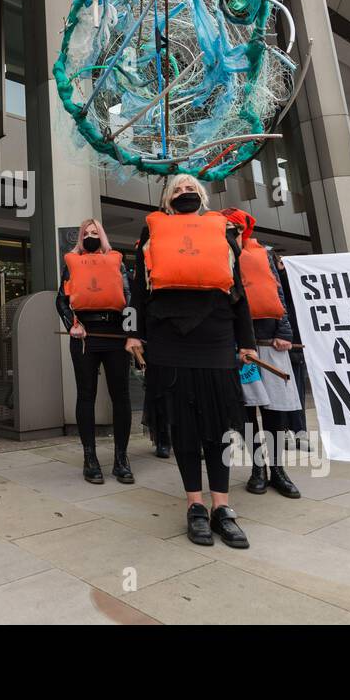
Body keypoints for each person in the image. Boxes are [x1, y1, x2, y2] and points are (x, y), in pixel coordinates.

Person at [125, 175, 258, 548]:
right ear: (167, 201)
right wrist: (133, 334)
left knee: (218, 425)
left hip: (216, 335)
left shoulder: (223, 232)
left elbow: (239, 290)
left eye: (191, 190)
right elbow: (137, 289)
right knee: (183, 426)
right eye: (177, 190)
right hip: (168, 337)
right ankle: (195, 506)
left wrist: (246, 341)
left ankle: (222, 507)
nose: (185, 193)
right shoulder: (150, 235)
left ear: (202, 199)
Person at [218, 209, 300, 499]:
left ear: (244, 230)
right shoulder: (217, 256)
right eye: (226, 228)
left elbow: (277, 294)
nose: (232, 233)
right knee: (249, 409)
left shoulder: (262, 254)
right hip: (241, 349)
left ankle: (278, 469)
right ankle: (258, 468)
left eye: (235, 228)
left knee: (275, 409)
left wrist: (285, 332)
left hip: (270, 342)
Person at [55, 219, 134, 484]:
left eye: (95, 233)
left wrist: (132, 335)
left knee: (120, 395)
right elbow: (62, 300)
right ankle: (90, 458)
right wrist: (73, 324)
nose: (90, 237)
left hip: (115, 334)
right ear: (80, 238)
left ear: (103, 236)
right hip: (85, 336)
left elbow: (131, 298)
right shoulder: (72, 265)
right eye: (86, 234)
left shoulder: (117, 262)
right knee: (85, 395)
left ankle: (121, 458)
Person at [275, 252, 310, 446]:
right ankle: (289, 431)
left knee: (295, 388)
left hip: (292, 345)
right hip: (281, 344)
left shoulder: (289, 286)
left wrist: (285, 273)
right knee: (284, 390)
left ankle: (298, 430)